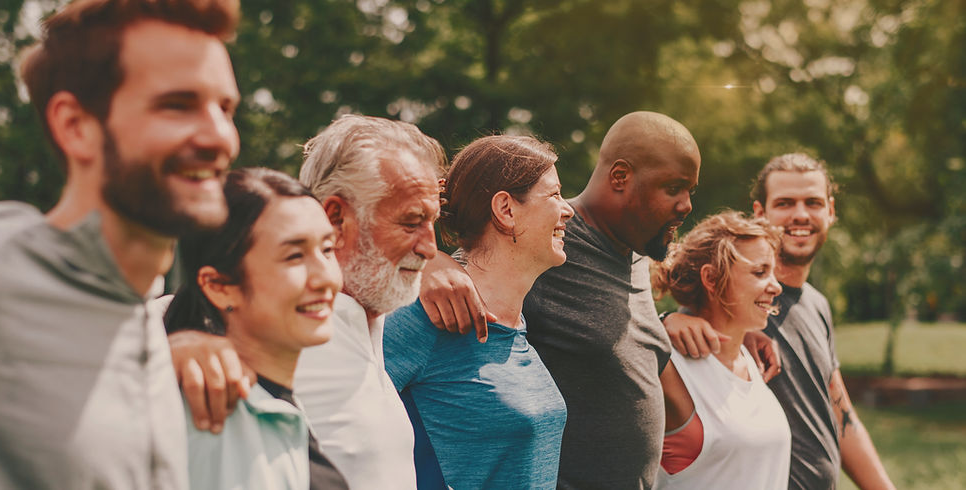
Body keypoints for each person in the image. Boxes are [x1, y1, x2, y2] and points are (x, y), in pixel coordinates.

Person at [418, 111, 764, 489]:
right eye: (673, 188)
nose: (686, 205)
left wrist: (674, 323)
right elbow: (477, 255)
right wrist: (430, 262)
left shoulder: (636, 250)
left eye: (690, 191)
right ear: (620, 177)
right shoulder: (550, 243)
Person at [0, 0, 240, 488]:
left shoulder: (145, 315)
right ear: (75, 126)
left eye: (226, 108)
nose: (220, 136)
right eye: (177, 104)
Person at [167, 114, 446, 489]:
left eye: (324, 250)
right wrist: (177, 343)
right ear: (336, 216)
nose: (431, 248)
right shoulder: (271, 332)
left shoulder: (357, 323)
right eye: (411, 222)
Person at [664, 153, 895, 489]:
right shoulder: (740, 303)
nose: (800, 214)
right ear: (761, 213)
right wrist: (666, 320)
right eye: (785, 203)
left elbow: (840, 412)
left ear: (830, 211)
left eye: (813, 202)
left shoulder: (816, 305)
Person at [384, 135, 573, 488]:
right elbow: (327, 420)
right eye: (554, 195)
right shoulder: (424, 316)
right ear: (506, 210)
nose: (568, 209)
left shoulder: (515, 324)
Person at [163, 168, 347, 489]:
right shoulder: (207, 421)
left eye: (327, 249)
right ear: (219, 286)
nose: (326, 277)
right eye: (294, 256)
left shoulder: (276, 406)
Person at [651, 211, 790, 489]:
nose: (775, 286)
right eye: (760, 272)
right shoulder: (668, 367)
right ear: (711, 279)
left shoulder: (749, 359)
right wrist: (662, 322)